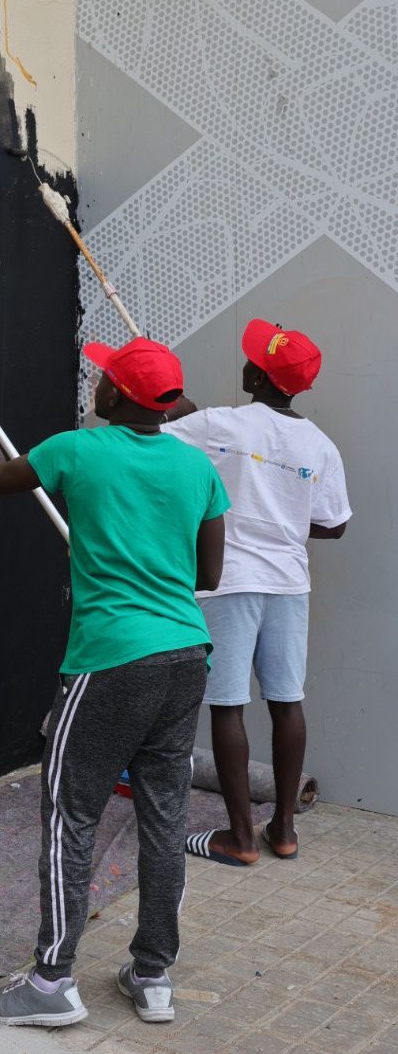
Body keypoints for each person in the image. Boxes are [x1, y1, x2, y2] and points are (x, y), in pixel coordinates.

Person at [0, 338, 229, 1027]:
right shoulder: (197, 468)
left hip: (110, 659)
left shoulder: (75, 451)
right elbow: (207, 576)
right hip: (184, 655)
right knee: (164, 817)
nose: (96, 382)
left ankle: (52, 982)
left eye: (103, 377)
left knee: (70, 813)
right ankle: (153, 974)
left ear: (114, 397)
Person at [167, 319, 351, 866]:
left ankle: (240, 837)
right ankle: (285, 830)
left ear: (255, 374)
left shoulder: (217, 423)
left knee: (227, 705)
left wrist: (186, 412)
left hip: (227, 580)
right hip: (288, 583)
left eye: (251, 360)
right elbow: (335, 523)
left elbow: (154, 429)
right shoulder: (319, 443)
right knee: (286, 700)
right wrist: (286, 515)